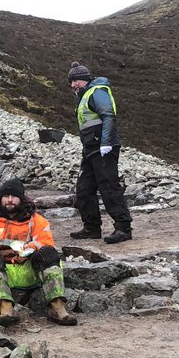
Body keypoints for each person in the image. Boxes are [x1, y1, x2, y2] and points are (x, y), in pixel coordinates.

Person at [0, 178, 78, 326]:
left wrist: (25, 251)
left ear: (21, 198)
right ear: (0, 198)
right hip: (0, 271)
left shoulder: (36, 220)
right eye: (6, 196)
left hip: (30, 272)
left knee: (48, 252)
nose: (10, 200)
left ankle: (57, 307)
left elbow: (46, 242)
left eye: (14, 196)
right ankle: (6, 308)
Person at [67, 62, 133, 244]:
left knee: (109, 186)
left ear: (85, 79)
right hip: (91, 148)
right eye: (71, 82)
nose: (73, 85)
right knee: (84, 188)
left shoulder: (97, 92)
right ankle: (91, 227)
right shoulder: (85, 95)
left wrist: (106, 143)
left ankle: (123, 227)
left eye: (75, 81)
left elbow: (108, 116)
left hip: (103, 147)